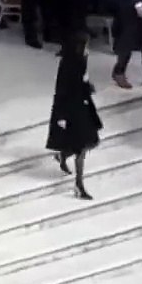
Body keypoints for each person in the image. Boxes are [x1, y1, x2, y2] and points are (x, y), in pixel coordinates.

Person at [46, 31, 104, 200]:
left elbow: (81, 81)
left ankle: (63, 155)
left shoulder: (81, 60)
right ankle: (79, 184)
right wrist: (61, 116)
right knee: (82, 145)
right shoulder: (68, 63)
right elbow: (62, 89)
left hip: (83, 106)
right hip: (72, 109)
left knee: (90, 142)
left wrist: (88, 86)